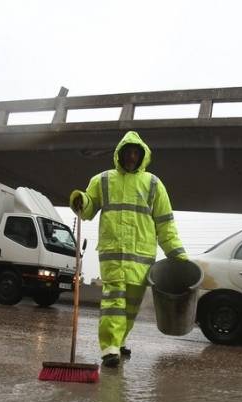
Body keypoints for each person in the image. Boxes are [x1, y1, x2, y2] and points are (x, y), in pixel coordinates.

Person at [70, 131, 187, 368]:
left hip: (141, 257)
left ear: (143, 156)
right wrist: (81, 200)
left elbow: (165, 224)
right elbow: (89, 209)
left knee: (131, 307)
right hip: (112, 254)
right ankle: (109, 348)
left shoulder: (153, 184)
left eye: (136, 152)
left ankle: (120, 340)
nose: (132, 156)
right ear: (119, 154)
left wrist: (177, 254)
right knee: (113, 302)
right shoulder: (102, 180)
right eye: (128, 152)